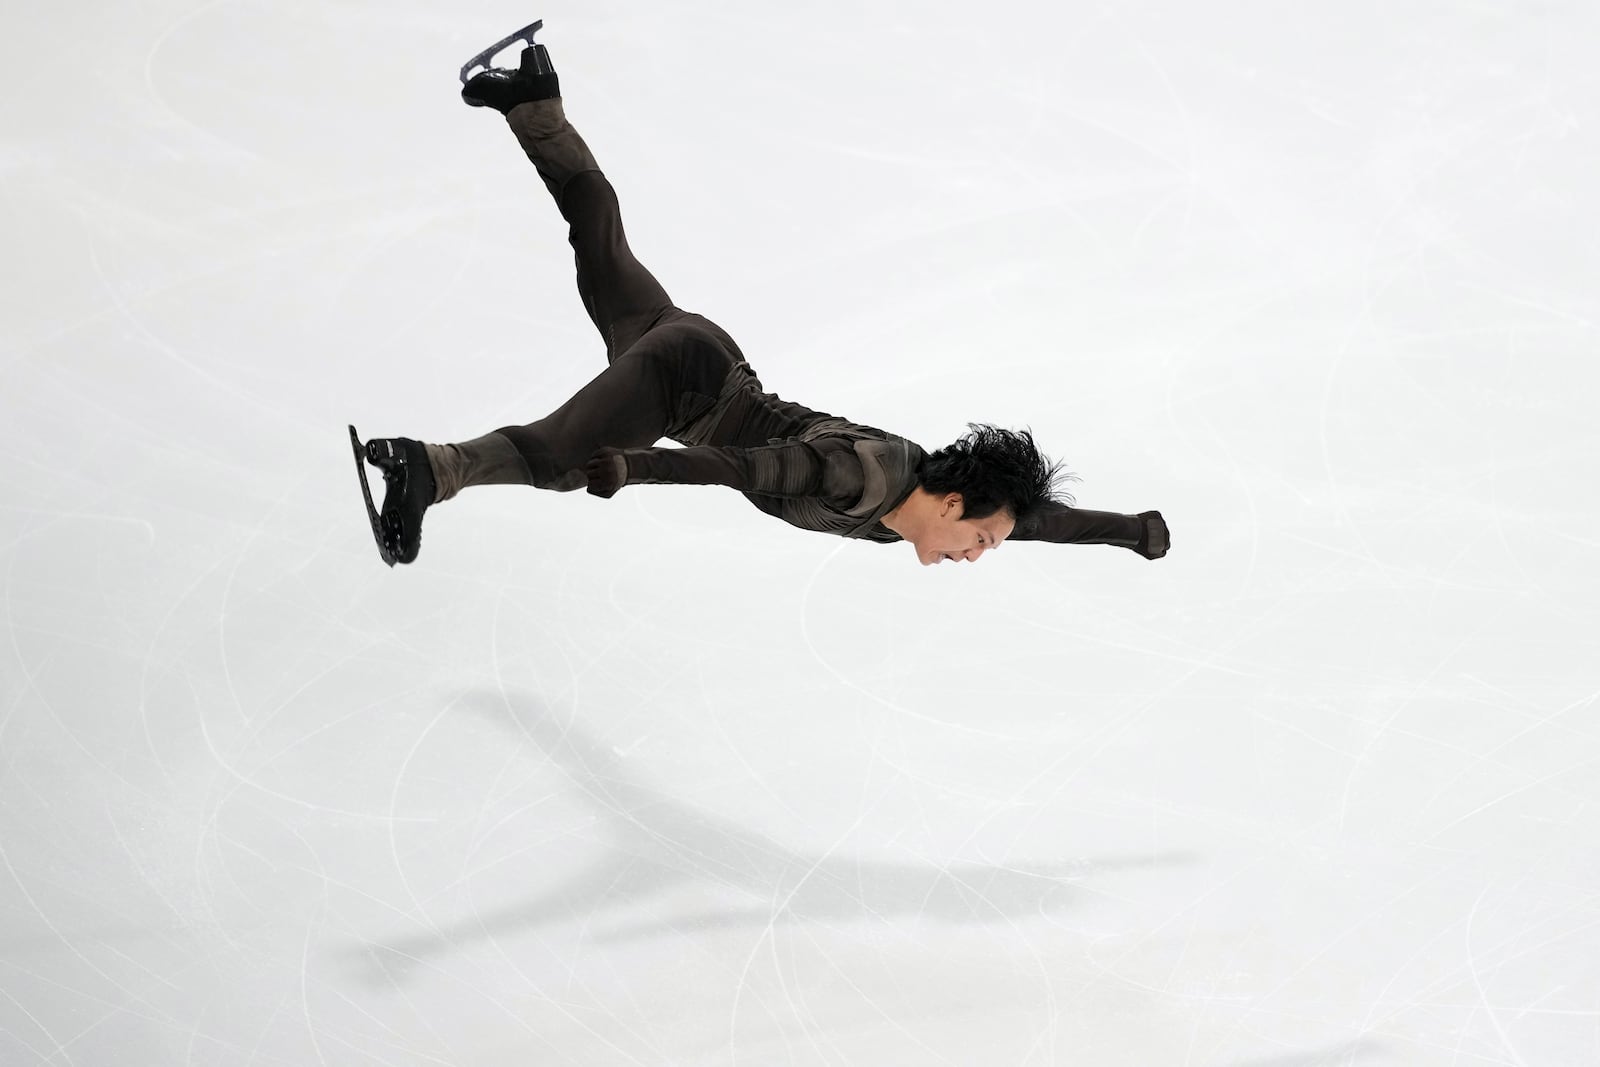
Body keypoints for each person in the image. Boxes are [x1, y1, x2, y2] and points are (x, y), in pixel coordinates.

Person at [356, 24, 1169, 569]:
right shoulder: (855, 478)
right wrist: (634, 468)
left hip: (703, 359)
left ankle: (534, 100)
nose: (983, 553)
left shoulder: (932, 499)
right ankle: (426, 467)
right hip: (688, 382)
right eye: (984, 539)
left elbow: (1043, 521)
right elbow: (742, 467)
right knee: (562, 459)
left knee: (597, 238)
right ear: (954, 503)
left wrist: (1133, 533)